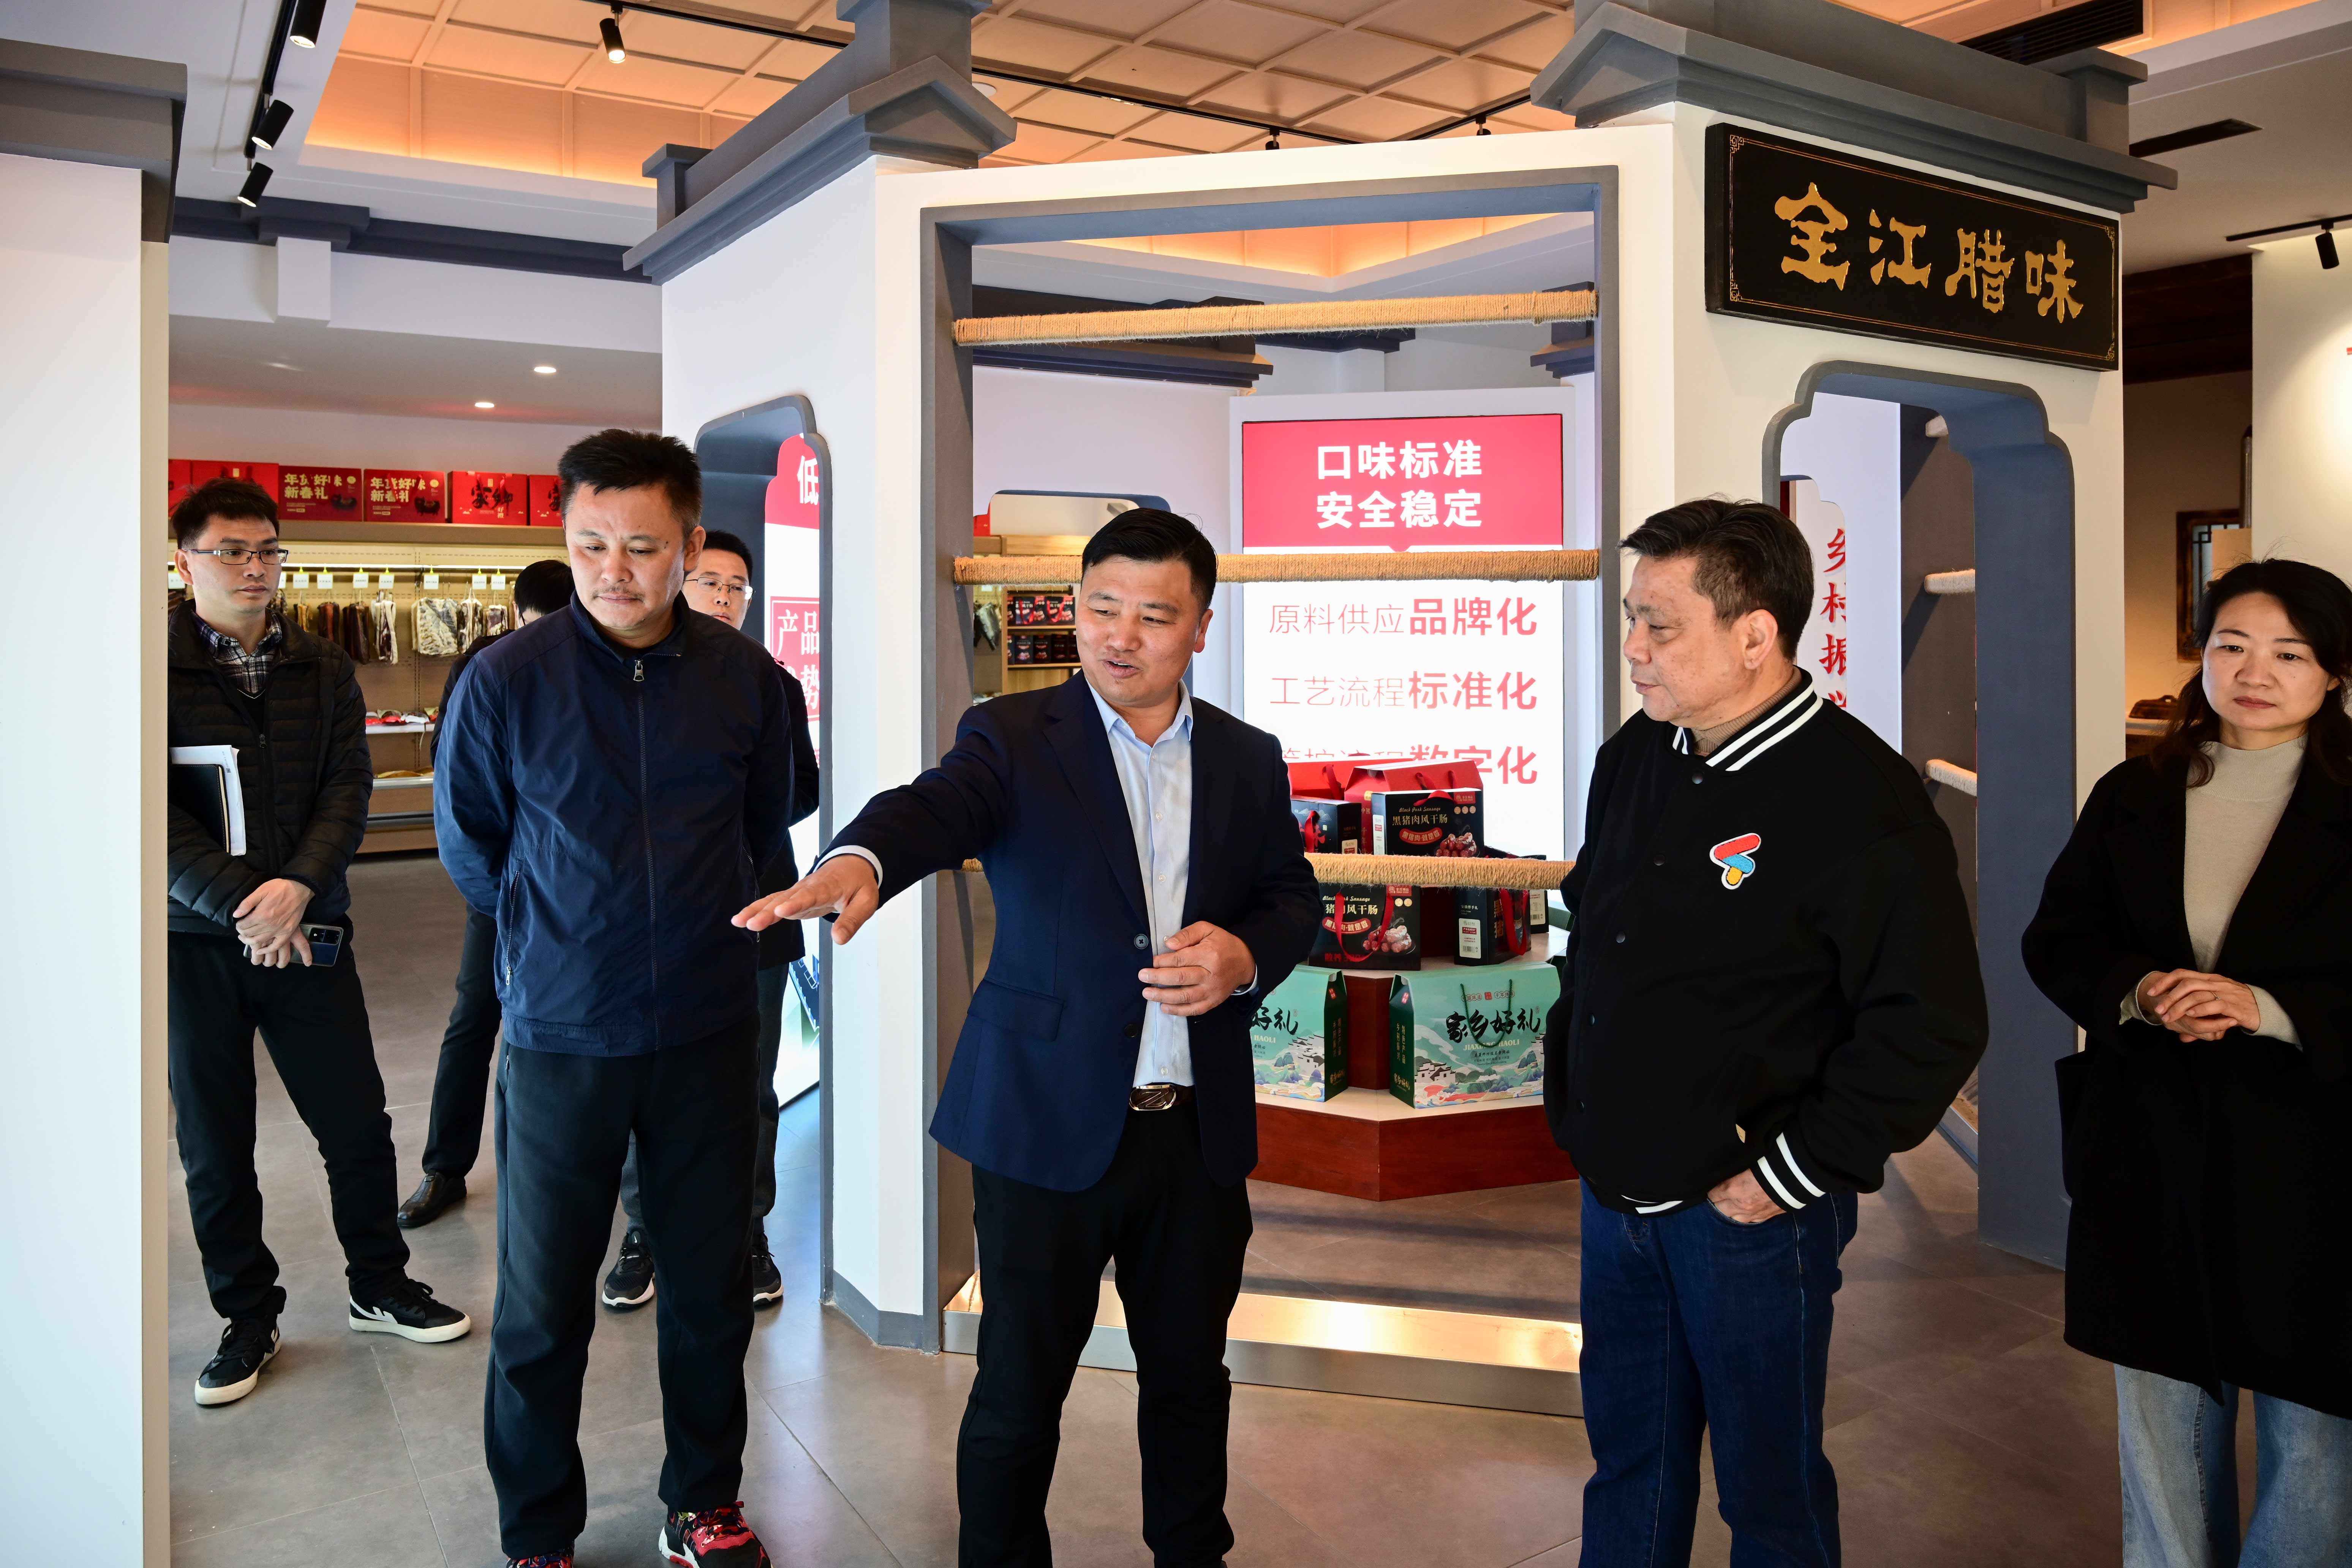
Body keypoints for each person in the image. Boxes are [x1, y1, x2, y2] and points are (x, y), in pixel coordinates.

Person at [736, 507, 1323, 1567]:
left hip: (1193, 1136)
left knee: (1191, 1380)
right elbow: (932, 808)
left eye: (1154, 617)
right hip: (1042, 1124)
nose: (1120, 636)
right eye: (1101, 608)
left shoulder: (1247, 757)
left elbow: (1291, 897)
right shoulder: (1011, 736)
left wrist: (1245, 956)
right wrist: (862, 860)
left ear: (1200, 627)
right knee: (1018, 1388)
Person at [1544, 498, 1985, 1567]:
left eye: (1660, 625)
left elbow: (1931, 1023)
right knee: (1630, 1466)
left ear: (1755, 636)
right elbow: (1598, 932)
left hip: (1749, 1216)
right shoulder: (1638, 756)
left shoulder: (1861, 800)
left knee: (1769, 1493)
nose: (1634, 649)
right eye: (1633, 619)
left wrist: (1787, 1175)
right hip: (1618, 1195)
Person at [435, 430, 798, 1568]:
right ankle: (539, 1530)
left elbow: (767, 823)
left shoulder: (748, 680)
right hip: (562, 1034)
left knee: (708, 1289)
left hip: (706, 1026)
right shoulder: (508, 679)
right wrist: (558, 936)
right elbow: (474, 846)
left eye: (642, 547)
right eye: (590, 544)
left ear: (690, 545)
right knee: (543, 1303)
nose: (613, 571)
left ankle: (703, 1503)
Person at [2023, 558, 2352, 1567]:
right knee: (2165, 1427)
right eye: (2232, 646)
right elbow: (2059, 939)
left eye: (2289, 653)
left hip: (2312, 1159)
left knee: (2317, 1433)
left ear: (2334, 673)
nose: (2255, 672)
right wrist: (2139, 991)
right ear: (2202, 657)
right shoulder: (2136, 791)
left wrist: (2270, 1009)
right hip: (2153, 1147)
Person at [167, 477, 473, 1410]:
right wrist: (245, 908)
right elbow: (144, 813)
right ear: (185, 560)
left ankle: (379, 1283)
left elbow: (349, 786)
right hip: (194, 941)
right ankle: (246, 1315)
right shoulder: (144, 664)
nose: (254, 568)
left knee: (355, 1122)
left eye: (268, 550)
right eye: (230, 551)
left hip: (312, 928)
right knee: (216, 1142)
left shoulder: (324, 663)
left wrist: (296, 891)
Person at [602, 529, 819, 1310]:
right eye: (711, 583)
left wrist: (719, 823)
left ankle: (748, 1228)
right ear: (678, 581)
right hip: (644, 920)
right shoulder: (631, 676)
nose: (724, 598)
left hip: (753, 908)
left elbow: (802, 792)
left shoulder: (772, 683)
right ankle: (643, 1231)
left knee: (749, 1085)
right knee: (643, 1080)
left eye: (737, 588)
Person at [397, 558, 579, 1229]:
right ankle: (444, 1167)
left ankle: (585, 1177)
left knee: (580, 1029)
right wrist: (499, 895)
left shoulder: (601, 664)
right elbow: (459, 787)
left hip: (582, 894)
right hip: (507, 889)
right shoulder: (488, 667)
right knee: (476, 1015)